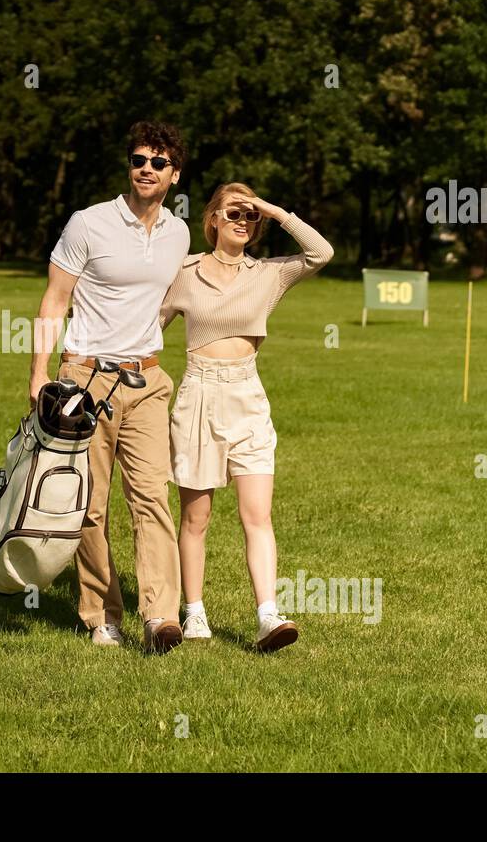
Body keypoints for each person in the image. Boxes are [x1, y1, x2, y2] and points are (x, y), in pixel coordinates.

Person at [29, 121, 189, 653]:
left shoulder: (178, 233)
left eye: (158, 162)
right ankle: (102, 613)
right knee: (90, 506)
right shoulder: (89, 223)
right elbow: (55, 301)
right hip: (85, 379)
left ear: (174, 175)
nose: (146, 168)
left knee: (152, 498)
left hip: (147, 380)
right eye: (138, 159)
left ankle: (161, 617)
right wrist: (40, 371)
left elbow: (160, 303)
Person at [159, 183, 333, 651]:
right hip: (199, 395)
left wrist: (276, 211)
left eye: (249, 215)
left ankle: (267, 617)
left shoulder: (269, 274)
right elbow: (149, 327)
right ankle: (193, 611)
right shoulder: (186, 272)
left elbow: (321, 252)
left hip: (248, 397)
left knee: (258, 514)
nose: (242, 220)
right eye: (232, 211)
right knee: (196, 518)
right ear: (212, 218)